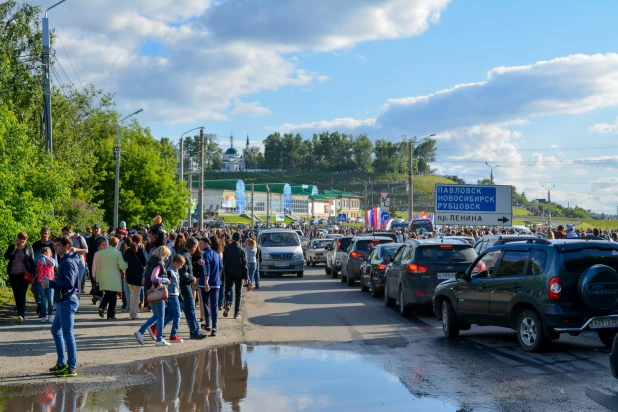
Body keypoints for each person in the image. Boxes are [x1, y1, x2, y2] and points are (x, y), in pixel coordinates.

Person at [43, 235, 80, 377]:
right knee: (55, 330)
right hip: (63, 301)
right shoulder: (65, 260)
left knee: (68, 334)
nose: (55, 247)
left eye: (57, 245)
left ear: (66, 246)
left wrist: (51, 284)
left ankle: (71, 368)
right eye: (55, 245)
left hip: (67, 301)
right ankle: (61, 363)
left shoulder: (68, 261)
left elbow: (70, 284)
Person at [134, 246, 172, 346]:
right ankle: (158, 338)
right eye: (167, 256)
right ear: (163, 255)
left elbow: (144, 279)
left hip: (150, 291)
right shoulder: (159, 264)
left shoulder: (150, 262)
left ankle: (142, 332)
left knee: (156, 315)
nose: (167, 258)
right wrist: (165, 280)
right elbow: (154, 278)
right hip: (157, 292)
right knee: (161, 316)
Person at [177, 237, 207, 340]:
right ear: (194, 247)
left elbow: (186, 268)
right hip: (184, 287)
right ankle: (194, 332)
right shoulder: (185, 255)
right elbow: (183, 274)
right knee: (190, 310)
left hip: (181, 287)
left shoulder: (182, 253)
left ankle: (155, 327)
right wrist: (192, 278)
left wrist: (195, 263)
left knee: (172, 312)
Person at [4, 232, 35, 324]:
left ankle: (21, 315)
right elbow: (6, 256)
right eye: (20, 238)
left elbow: (32, 261)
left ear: (26, 239)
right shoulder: (12, 247)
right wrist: (14, 246)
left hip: (24, 275)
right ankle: (20, 312)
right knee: (16, 294)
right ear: (17, 238)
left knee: (21, 294)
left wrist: (33, 274)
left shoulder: (28, 248)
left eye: (24, 238)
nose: (22, 240)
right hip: (13, 274)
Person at [95, 236, 128, 320]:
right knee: (113, 296)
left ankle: (102, 307)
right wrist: (128, 263)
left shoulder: (101, 253)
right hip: (114, 278)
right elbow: (122, 266)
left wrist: (97, 279)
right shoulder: (118, 253)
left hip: (103, 277)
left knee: (108, 294)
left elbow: (98, 267)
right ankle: (110, 314)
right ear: (117, 244)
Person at [222, 232, 248, 320]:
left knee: (228, 289)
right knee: (238, 293)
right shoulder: (242, 249)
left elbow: (223, 260)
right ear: (240, 240)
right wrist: (246, 277)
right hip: (239, 274)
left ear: (232, 239)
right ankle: (236, 313)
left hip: (228, 272)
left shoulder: (226, 248)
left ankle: (228, 303)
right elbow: (244, 265)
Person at [200, 237, 221, 336]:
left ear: (207, 243)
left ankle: (208, 324)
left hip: (206, 282)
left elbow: (206, 268)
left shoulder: (204, 254)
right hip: (216, 282)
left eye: (202, 244)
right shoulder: (216, 254)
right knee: (214, 305)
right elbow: (221, 267)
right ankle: (214, 327)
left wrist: (206, 282)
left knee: (206, 304)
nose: (200, 245)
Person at [32, 227, 55, 316]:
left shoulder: (52, 245)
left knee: (48, 295)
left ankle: (44, 312)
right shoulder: (35, 245)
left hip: (49, 274)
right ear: (40, 233)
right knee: (36, 291)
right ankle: (41, 304)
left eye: (46, 233)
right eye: (43, 233)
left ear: (49, 234)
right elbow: (32, 258)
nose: (44, 235)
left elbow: (55, 259)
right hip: (38, 272)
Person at [123, 234, 147, 319]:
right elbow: (145, 262)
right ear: (140, 240)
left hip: (129, 274)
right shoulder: (141, 250)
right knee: (136, 295)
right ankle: (134, 313)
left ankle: (131, 310)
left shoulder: (128, 250)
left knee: (132, 294)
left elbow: (124, 261)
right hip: (138, 275)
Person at [62, 226, 88, 296]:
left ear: (70, 232)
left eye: (65, 234)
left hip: (79, 263)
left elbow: (86, 250)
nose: (64, 236)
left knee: (78, 284)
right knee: (70, 283)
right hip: (69, 263)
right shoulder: (65, 240)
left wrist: (76, 249)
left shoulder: (79, 238)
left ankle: (77, 305)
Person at [164, 254, 185, 343]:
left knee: (171, 315)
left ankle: (156, 327)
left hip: (175, 294)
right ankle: (173, 335)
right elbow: (166, 282)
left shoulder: (175, 270)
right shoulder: (170, 271)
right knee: (177, 315)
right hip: (172, 295)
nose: (182, 266)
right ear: (176, 263)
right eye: (181, 264)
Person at [36, 247, 56, 323]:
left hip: (50, 281)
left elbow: (52, 264)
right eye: (44, 253)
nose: (46, 254)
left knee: (50, 300)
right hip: (41, 281)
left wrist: (47, 257)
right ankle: (44, 316)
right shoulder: (39, 261)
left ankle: (50, 316)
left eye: (47, 253)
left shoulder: (52, 260)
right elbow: (40, 265)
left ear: (50, 254)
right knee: (43, 300)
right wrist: (43, 258)